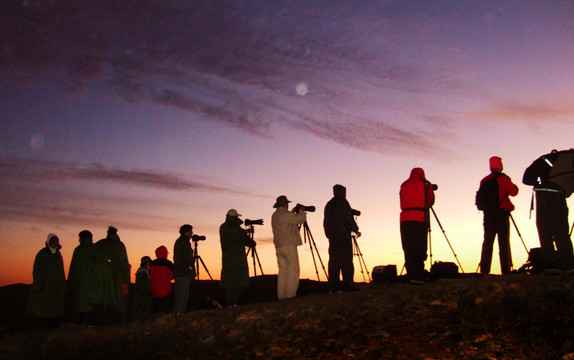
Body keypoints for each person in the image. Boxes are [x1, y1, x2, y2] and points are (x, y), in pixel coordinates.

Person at [523, 150, 574, 271]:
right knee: (560, 230)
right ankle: (568, 266)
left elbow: (526, 179)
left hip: (540, 195)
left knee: (544, 231)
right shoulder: (570, 159)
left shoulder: (556, 157)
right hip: (557, 195)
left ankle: (550, 266)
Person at [478, 156, 519, 275]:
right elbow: (514, 192)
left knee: (488, 242)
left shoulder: (484, 180)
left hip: (488, 214)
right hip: (501, 213)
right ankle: (505, 271)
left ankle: (484, 271)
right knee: (504, 242)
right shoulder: (503, 178)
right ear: (500, 166)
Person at [399, 168, 435, 283]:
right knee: (420, 246)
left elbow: (401, 200)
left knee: (408, 247)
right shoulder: (425, 183)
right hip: (420, 217)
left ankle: (411, 273)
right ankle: (418, 273)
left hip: (405, 219)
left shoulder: (404, 184)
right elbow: (431, 201)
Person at [323, 184, 361, 292]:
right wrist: (356, 229)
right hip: (343, 235)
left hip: (333, 237)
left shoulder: (329, 204)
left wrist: (328, 234)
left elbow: (326, 221)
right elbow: (347, 217)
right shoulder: (343, 202)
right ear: (343, 192)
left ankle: (333, 286)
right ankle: (347, 284)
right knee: (347, 260)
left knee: (334, 261)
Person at [25, 233, 66, 329]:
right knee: (45, 307)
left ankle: (54, 325)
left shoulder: (58, 255)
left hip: (57, 286)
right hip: (46, 285)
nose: (55, 243)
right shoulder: (42, 254)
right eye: (53, 241)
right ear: (49, 242)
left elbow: (61, 271)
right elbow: (38, 271)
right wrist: (39, 284)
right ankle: (44, 326)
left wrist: (62, 284)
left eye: (57, 241)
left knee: (56, 306)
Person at [92, 226, 130, 325]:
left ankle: (96, 324)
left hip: (96, 276)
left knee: (99, 300)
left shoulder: (98, 244)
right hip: (113, 275)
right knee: (112, 300)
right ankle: (111, 325)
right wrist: (126, 279)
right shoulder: (119, 245)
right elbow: (123, 263)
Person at [271, 195, 307, 300]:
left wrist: (292, 213)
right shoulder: (285, 214)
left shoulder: (275, 215)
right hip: (289, 245)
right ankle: (291, 294)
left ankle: (281, 296)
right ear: (285, 204)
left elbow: (287, 221)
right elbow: (300, 219)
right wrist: (301, 211)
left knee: (282, 272)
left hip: (279, 246)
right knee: (293, 270)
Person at [219, 209, 256, 307]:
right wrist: (251, 240)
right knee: (237, 282)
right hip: (237, 259)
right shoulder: (236, 229)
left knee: (229, 283)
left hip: (227, 259)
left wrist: (244, 231)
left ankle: (230, 304)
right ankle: (233, 303)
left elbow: (235, 235)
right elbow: (244, 239)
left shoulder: (223, 227)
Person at [67, 230, 97, 325]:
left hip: (81, 282)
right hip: (94, 282)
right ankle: (90, 322)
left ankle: (81, 322)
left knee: (81, 304)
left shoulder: (79, 250)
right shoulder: (96, 249)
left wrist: (70, 282)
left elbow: (73, 267)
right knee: (91, 304)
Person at [173, 224, 196, 314]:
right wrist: (192, 269)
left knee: (178, 294)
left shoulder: (179, 241)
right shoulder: (185, 242)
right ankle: (181, 313)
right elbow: (188, 259)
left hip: (178, 272)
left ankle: (177, 312)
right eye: (190, 231)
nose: (192, 233)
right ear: (186, 232)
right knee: (183, 294)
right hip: (184, 272)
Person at [150, 245, 174, 314]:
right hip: (165, 289)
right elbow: (171, 276)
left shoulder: (152, 263)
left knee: (156, 309)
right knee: (165, 309)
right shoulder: (168, 263)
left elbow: (150, 275)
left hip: (154, 289)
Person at [132, 256, 153, 321]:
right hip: (143, 294)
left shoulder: (142, 270)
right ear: (147, 262)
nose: (150, 263)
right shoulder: (144, 271)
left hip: (141, 293)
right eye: (149, 262)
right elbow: (144, 285)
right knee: (143, 310)